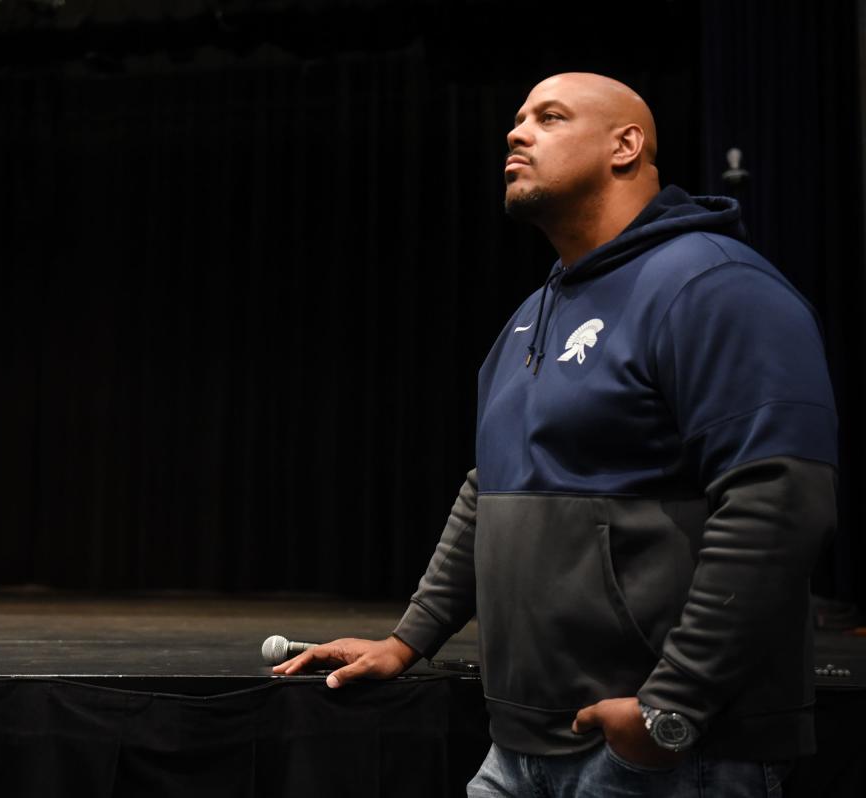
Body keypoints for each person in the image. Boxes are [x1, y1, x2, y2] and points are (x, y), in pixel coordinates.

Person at [273, 73, 838, 797]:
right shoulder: (531, 315)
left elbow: (780, 500)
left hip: (668, 753)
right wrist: (408, 639)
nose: (516, 132)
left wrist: (674, 705)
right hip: (520, 746)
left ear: (625, 145)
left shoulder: (716, 287)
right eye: (517, 119)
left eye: (550, 116)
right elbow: (492, 490)